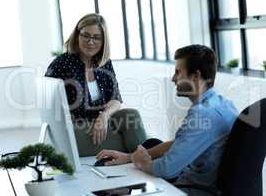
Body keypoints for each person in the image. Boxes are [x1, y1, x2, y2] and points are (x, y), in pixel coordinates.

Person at [96, 44, 239, 195]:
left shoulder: (202, 114)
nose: (173, 78)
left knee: (116, 190)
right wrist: (129, 157)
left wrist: (142, 162)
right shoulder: (222, 104)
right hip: (194, 182)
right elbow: (181, 143)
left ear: (195, 76)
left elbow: (166, 170)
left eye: (178, 72)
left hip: (190, 190)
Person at [45, 13, 147, 156]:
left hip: (100, 121)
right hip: (74, 127)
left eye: (97, 37)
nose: (90, 41)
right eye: (86, 35)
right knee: (130, 139)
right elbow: (49, 108)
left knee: (132, 116)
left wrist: (104, 116)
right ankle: (140, 155)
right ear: (77, 35)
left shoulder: (104, 63)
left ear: (104, 40)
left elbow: (116, 100)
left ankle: (141, 156)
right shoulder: (60, 64)